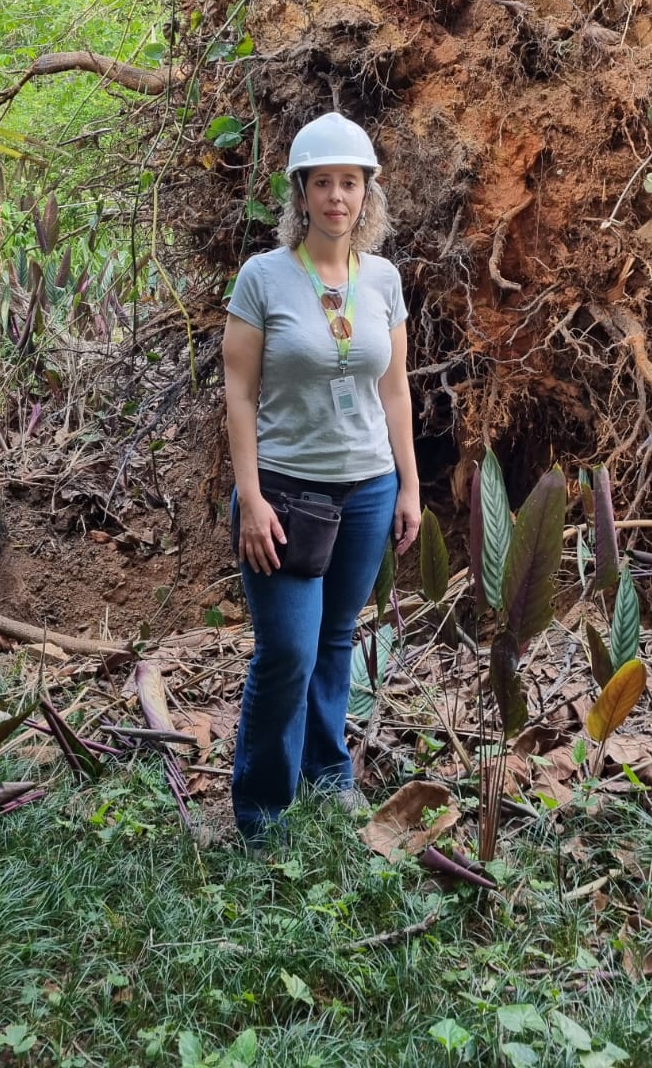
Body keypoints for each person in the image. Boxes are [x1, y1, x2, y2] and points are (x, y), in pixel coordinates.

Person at [222, 111, 421, 847]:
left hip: (367, 486)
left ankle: (327, 773)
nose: (338, 197)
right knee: (288, 649)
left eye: (351, 183)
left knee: (337, 638)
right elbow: (238, 394)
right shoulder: (264, 277)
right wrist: (249, 499)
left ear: (367, 194)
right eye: (323, 183)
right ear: (300, 193)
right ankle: (261, 812)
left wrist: (409, 486)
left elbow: (394, 388)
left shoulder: (384, 281)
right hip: (285, 492)